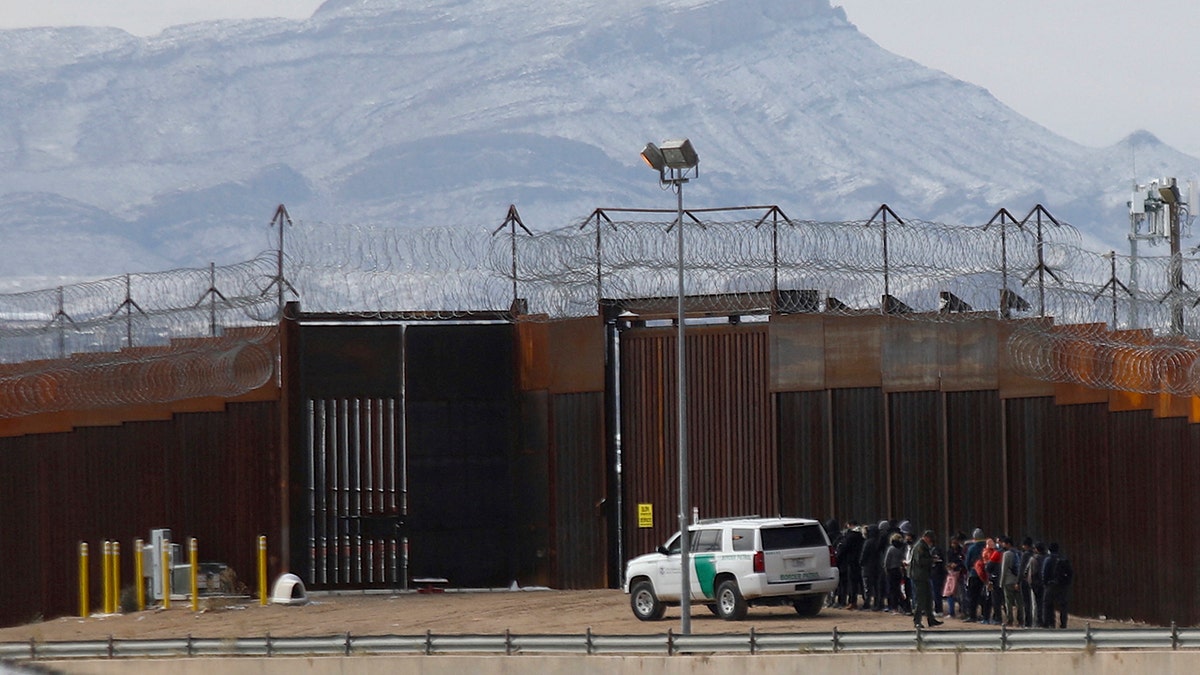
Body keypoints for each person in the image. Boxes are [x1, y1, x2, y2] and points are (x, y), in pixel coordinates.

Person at [909, 529, 942, 628]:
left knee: (928, 599)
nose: (931, 542)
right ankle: (917, 621)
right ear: (926, 538)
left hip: (924, 576)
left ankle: (931, 619)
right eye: (930, 540)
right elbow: (920, 561)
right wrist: (931, 560)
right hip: (919, 577)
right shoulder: (920, 546)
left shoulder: (923, 546)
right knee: (920, 599)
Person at [1041, 542, 1073, 628]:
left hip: (1051, 585)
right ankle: (1063, 624)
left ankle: (1049, 623)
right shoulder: (1064, 559)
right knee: (1063, 605)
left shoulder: (1048, 559)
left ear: (1049, 550)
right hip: (1063, 586)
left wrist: (1045, 583)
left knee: (1047, 604)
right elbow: (1070, 573)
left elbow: (1044, 573)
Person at [962, 528, 985, 622]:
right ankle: (985, 615)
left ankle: (972, 616)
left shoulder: (972, 548)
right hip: (985, 574)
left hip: (974, 573)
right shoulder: (986, 547)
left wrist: (969, 569)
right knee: (984, 596)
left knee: (972, 596)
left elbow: (967, 562)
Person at [998, 536, 1021, 627]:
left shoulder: (1006, 554)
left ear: (1008, 544)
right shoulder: (1019, 553)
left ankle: (1010, 620)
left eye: (1004, 543)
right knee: (1019, 602)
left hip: (1008, 580)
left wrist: (1001, 582)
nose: (1003, 544)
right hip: (1017, 581)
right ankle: (1020, 620)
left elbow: (1004, 569)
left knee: (1008, 602)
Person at [1018, 537, 1035, 628]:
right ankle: (1035, 621)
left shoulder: (1025, 555)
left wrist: (1018, 581)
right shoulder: (1034, 554)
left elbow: (1021, 569)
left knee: (1026, 602)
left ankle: (1028, 622)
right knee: (1034, 602)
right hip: (1034, 580)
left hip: (1025, 581)